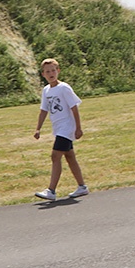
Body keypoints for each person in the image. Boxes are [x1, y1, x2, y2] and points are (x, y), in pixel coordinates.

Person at [33, 58, 88, 200]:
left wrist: (78, 128)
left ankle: (51, 190)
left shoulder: (64, 88)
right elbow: (44, 110)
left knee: (55, 156)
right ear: (43, 74)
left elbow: (74, 107)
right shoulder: (46, 90)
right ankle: (82, 187)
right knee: (69, 157)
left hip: (67, 127)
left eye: (53, 70)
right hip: (58, 128)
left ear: (58, 71)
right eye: (47, 71)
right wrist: (38, 128)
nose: (51, 73)